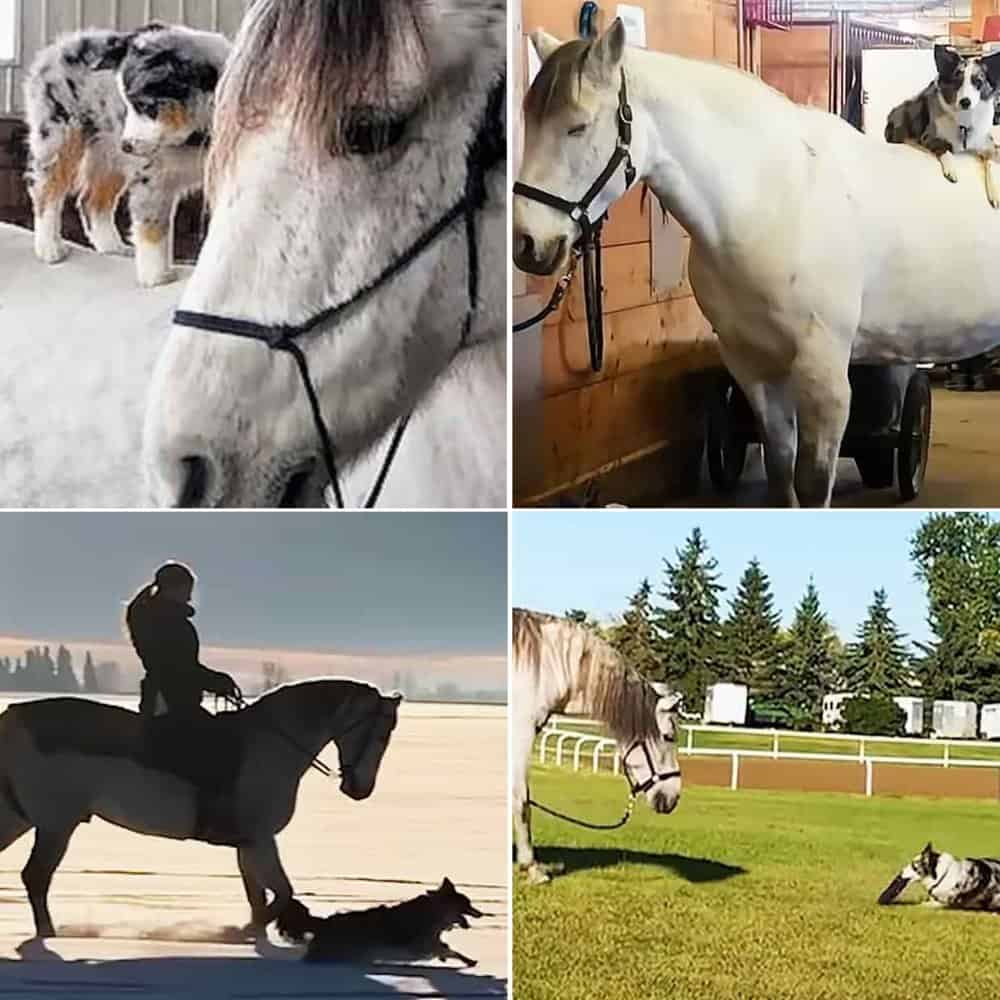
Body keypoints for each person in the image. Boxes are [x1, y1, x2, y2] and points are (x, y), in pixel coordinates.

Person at [125, 561, 244, 844]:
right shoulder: (164, 621)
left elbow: (183, 666)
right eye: (186, 589)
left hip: (177, 696)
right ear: (173, 589)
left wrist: (212, 679)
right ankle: (210, 817)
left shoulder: (162, 618)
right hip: (168, 700)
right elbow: (173, 667)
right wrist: (215, 680)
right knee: (213, 750)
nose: (190, 596)